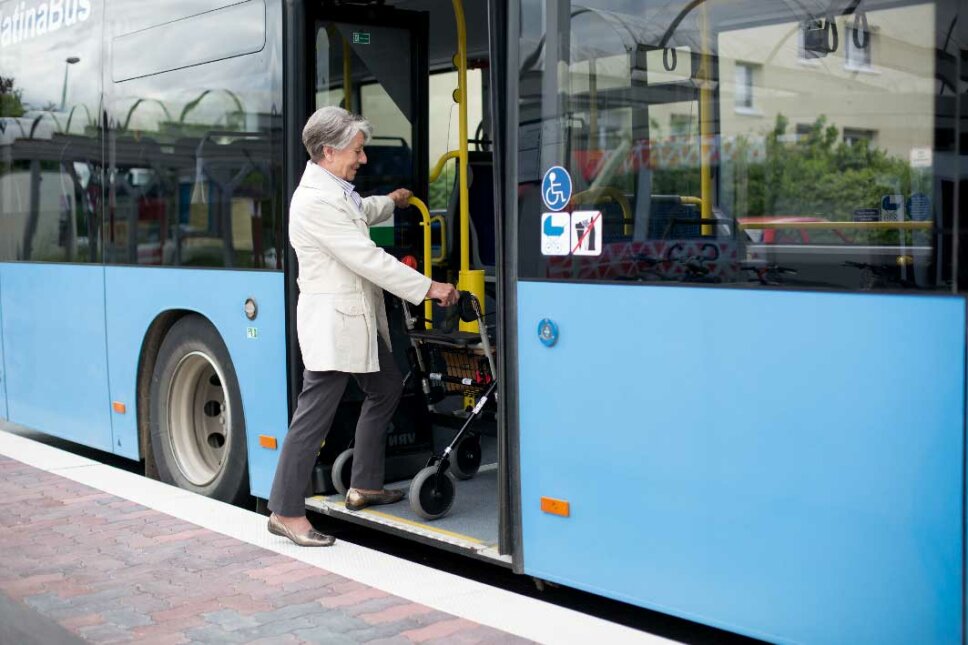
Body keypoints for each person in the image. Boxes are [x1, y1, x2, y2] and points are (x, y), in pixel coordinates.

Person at [267, 106, 458, 547]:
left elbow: (359, 212)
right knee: (312, 419)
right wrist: (429, 288)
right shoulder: (315, 201)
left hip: (354, 323)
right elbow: (365, 257)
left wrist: (391, 201)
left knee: (387, 387)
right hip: (335, 327)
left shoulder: (335, 190)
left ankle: (365, 484)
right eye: (357, 150)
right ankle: (286, 511)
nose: (363, 158)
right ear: (329, 151)